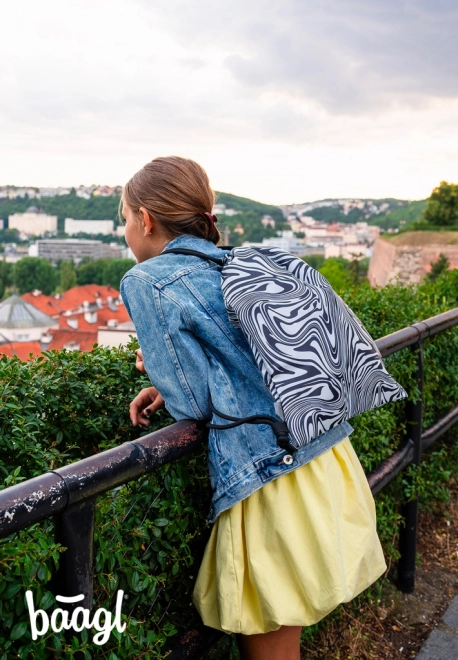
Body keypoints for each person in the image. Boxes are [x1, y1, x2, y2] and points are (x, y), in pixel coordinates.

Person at [120, 156, 387, 660]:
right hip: (323, 457)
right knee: (287, 633)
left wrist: (157, 371)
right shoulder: (240, 262)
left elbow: (193, 404)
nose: (127, 234)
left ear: (145, 218)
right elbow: (247, 363)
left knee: (270, 646)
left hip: (270, 482)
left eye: (125, 221)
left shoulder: (149, 279)